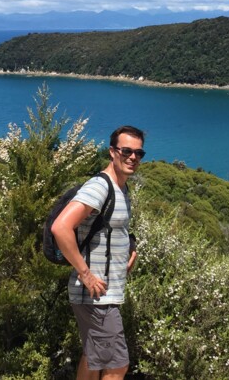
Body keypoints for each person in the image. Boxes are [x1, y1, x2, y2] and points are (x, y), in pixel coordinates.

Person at [51, 125, 143, 380]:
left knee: (93, 359)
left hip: (102, 292)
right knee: (117, 365)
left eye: (139, 153)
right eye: (126, 151)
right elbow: (61, 227)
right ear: (112, 152)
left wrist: (124, 255)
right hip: (95, 295)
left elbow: (107, 231)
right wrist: (86, 274)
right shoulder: (100, 187)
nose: (133, 157)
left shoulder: (121, 188)